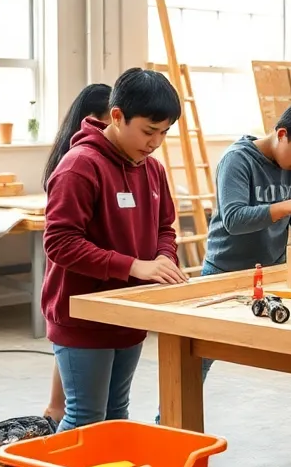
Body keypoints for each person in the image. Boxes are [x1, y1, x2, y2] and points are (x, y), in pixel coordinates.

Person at [155, 102, 291, 425]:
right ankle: (168, 424)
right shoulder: (237, 161)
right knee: (196, 360)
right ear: (281, 135)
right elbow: (235, 219)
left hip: (270, 275)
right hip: (224, 273)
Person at [43, 68, 189, 432]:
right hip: (82, 316)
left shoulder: (152, 170)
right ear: (118, 116)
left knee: (115, 413)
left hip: (129, 314)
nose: (155, 142)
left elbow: (165, 228)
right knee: (84, 417)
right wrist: (133, 266)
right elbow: (60, 243)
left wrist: (162, 258)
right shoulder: (80, 166)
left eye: (164, 133)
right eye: (148, 131)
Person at [41, 82, 112, 426]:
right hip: (76, 286)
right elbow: (62, 240)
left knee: (101, 407)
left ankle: (55, 408)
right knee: (83, 410)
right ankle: (56, 411)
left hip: (97, 292)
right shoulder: (77, 163)